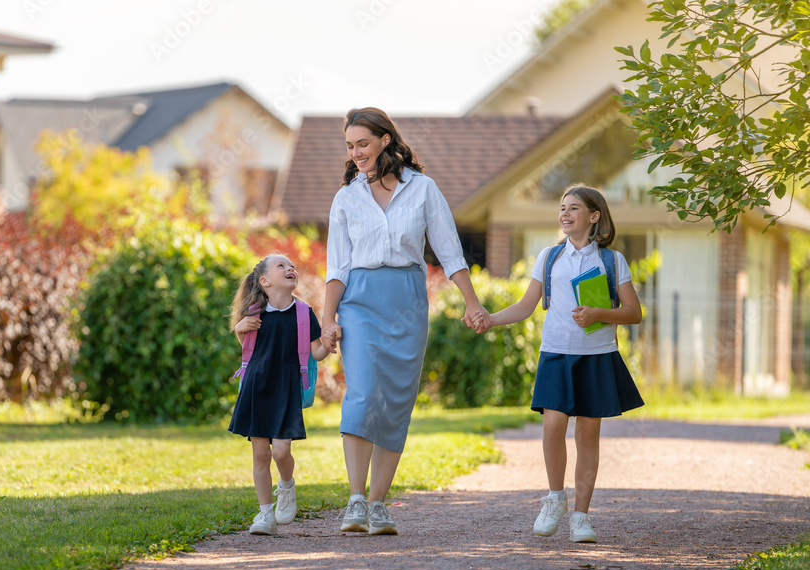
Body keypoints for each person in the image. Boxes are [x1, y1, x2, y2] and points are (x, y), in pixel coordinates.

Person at [322, 107, 487, 536]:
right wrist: (327, 319)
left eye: (363, 143)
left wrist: (472, 303)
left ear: (385, 141)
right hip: (359, 301)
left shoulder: (423, 189)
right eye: (350, 145)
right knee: (361, 394)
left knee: (395, 401)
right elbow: (337, 267)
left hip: (407, 301)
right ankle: (356, 500)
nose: (356, 152)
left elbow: (450, 251)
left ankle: (378, 504)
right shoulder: (346, 198)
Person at [477, 184, 644, 543]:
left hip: (597, 357)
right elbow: (526, 306)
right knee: (553, 426)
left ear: (594, 216)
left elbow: (634, 313)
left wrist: (599, 312)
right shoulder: (549, 257)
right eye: (562, 208)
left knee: (587, 435)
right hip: (555, 354)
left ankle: (581, 517)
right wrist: (490, 318)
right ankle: (555, 498)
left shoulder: (612, 261)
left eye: (573, 208)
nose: (565, 214)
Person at [229, 254, 333, 536]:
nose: (290, 269)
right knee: (260, 455)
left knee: (281, 451)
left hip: (285, 388)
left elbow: (316, 353)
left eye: (292, 266)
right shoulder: (253, 313)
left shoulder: (303, 313)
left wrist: (328, 342)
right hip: (256, 386)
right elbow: (248, 350)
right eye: (282, 266)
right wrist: (239, 329)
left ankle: (286, 485)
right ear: (264, 281)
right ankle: (265, 514)